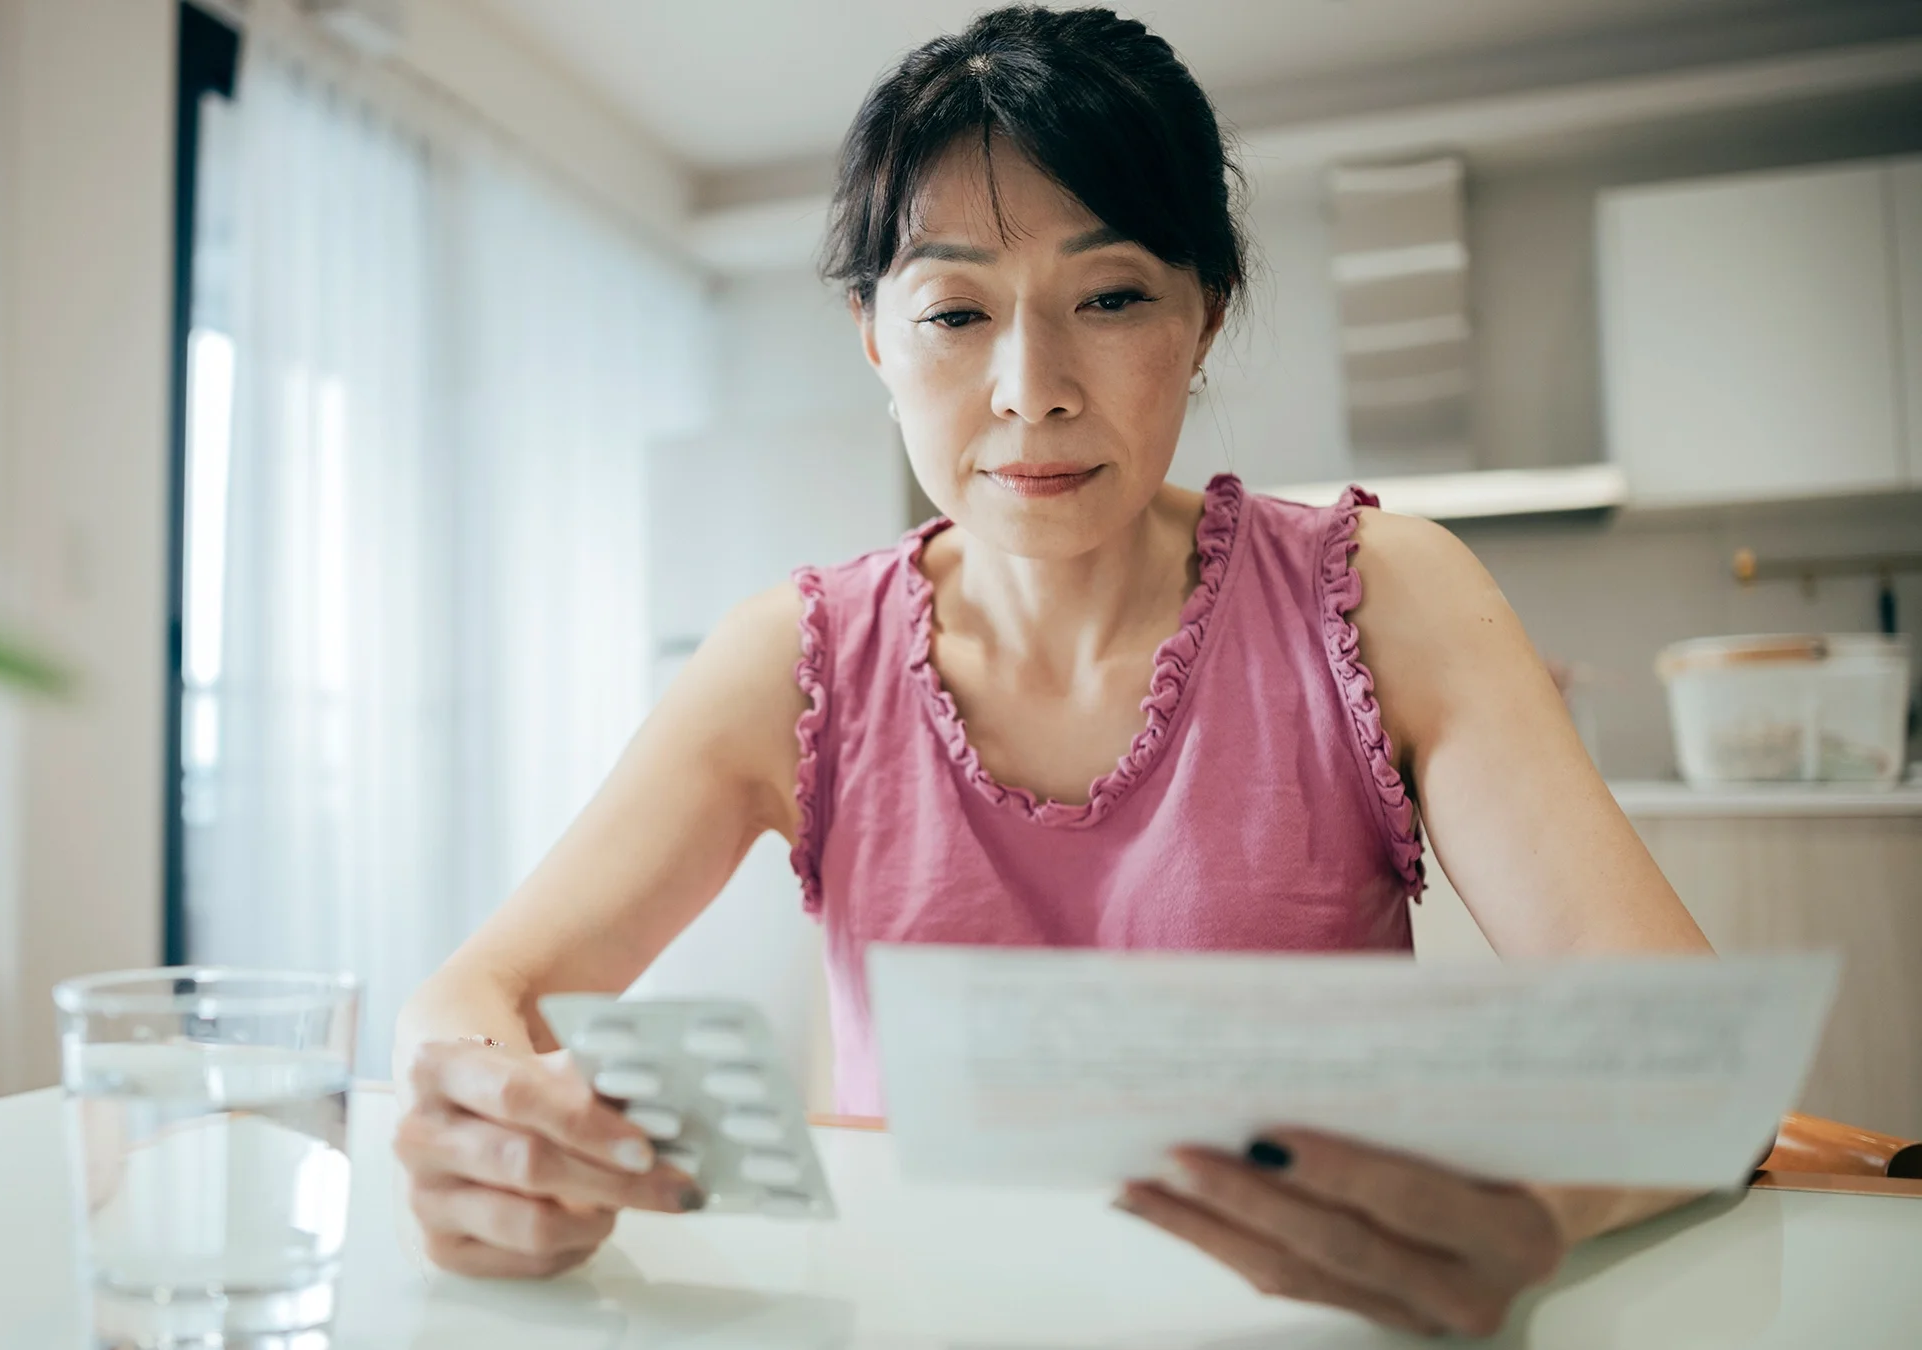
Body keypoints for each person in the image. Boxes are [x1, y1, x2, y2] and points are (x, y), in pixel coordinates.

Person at [393, 5, 1712, 1335]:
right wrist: (494, 1135)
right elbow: (476, 993)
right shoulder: (793, 660)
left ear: (1206, 314)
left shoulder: (1384, 598)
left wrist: (1528, 1187)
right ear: (873, 336)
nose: (1032, 388)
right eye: (957, 310)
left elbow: (1691, 1043)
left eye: (1113, 296)